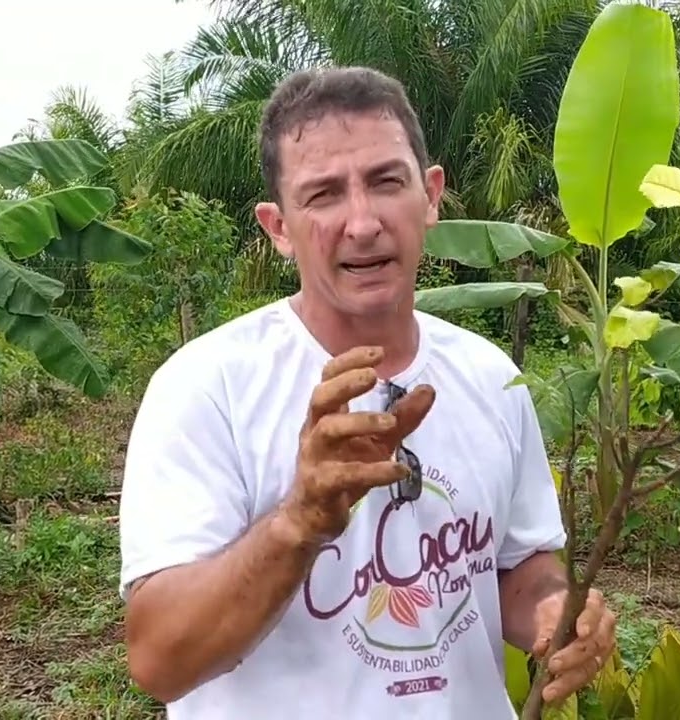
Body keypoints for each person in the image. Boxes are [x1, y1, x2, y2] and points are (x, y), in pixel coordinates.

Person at [117, 65, 617, 719]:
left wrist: (557, 612)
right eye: (323, 195)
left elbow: (518, 567)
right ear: (278, 227)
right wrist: (298, 521)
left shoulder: (489, 375)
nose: (362, 223)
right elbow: (160, 660)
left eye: (386, 182)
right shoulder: (207, 388)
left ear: (430, 195)